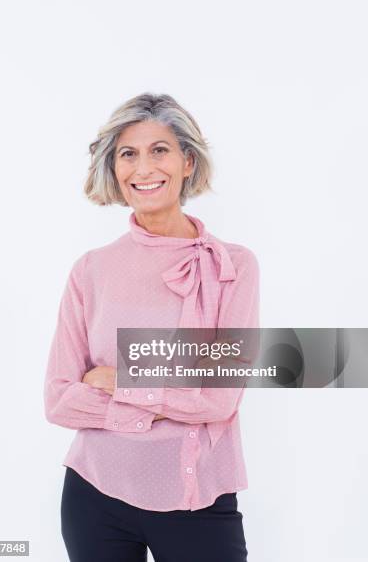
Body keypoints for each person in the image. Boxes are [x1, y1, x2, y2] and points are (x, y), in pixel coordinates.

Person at [43, 92, 260, 562]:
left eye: (158, 150)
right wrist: (165, 398)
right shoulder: (91, 269)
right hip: (92, 494)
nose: (143, 168)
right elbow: (59, 399)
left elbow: (220, 397)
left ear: (187, 161)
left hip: (196, 497)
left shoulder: (234, 267)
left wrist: (117, 379)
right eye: (128, 154)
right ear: (114, 169)